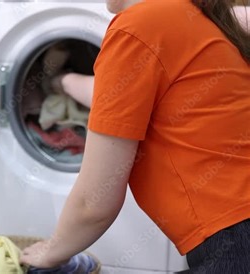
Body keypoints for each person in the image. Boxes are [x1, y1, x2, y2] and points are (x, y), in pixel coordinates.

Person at [21, 0, 250, 273]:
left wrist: (51, 251)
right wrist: (61, 81)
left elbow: (94, 204)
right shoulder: (189, 13)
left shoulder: (138, 24)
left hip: (236, 242)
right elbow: (120, 94)